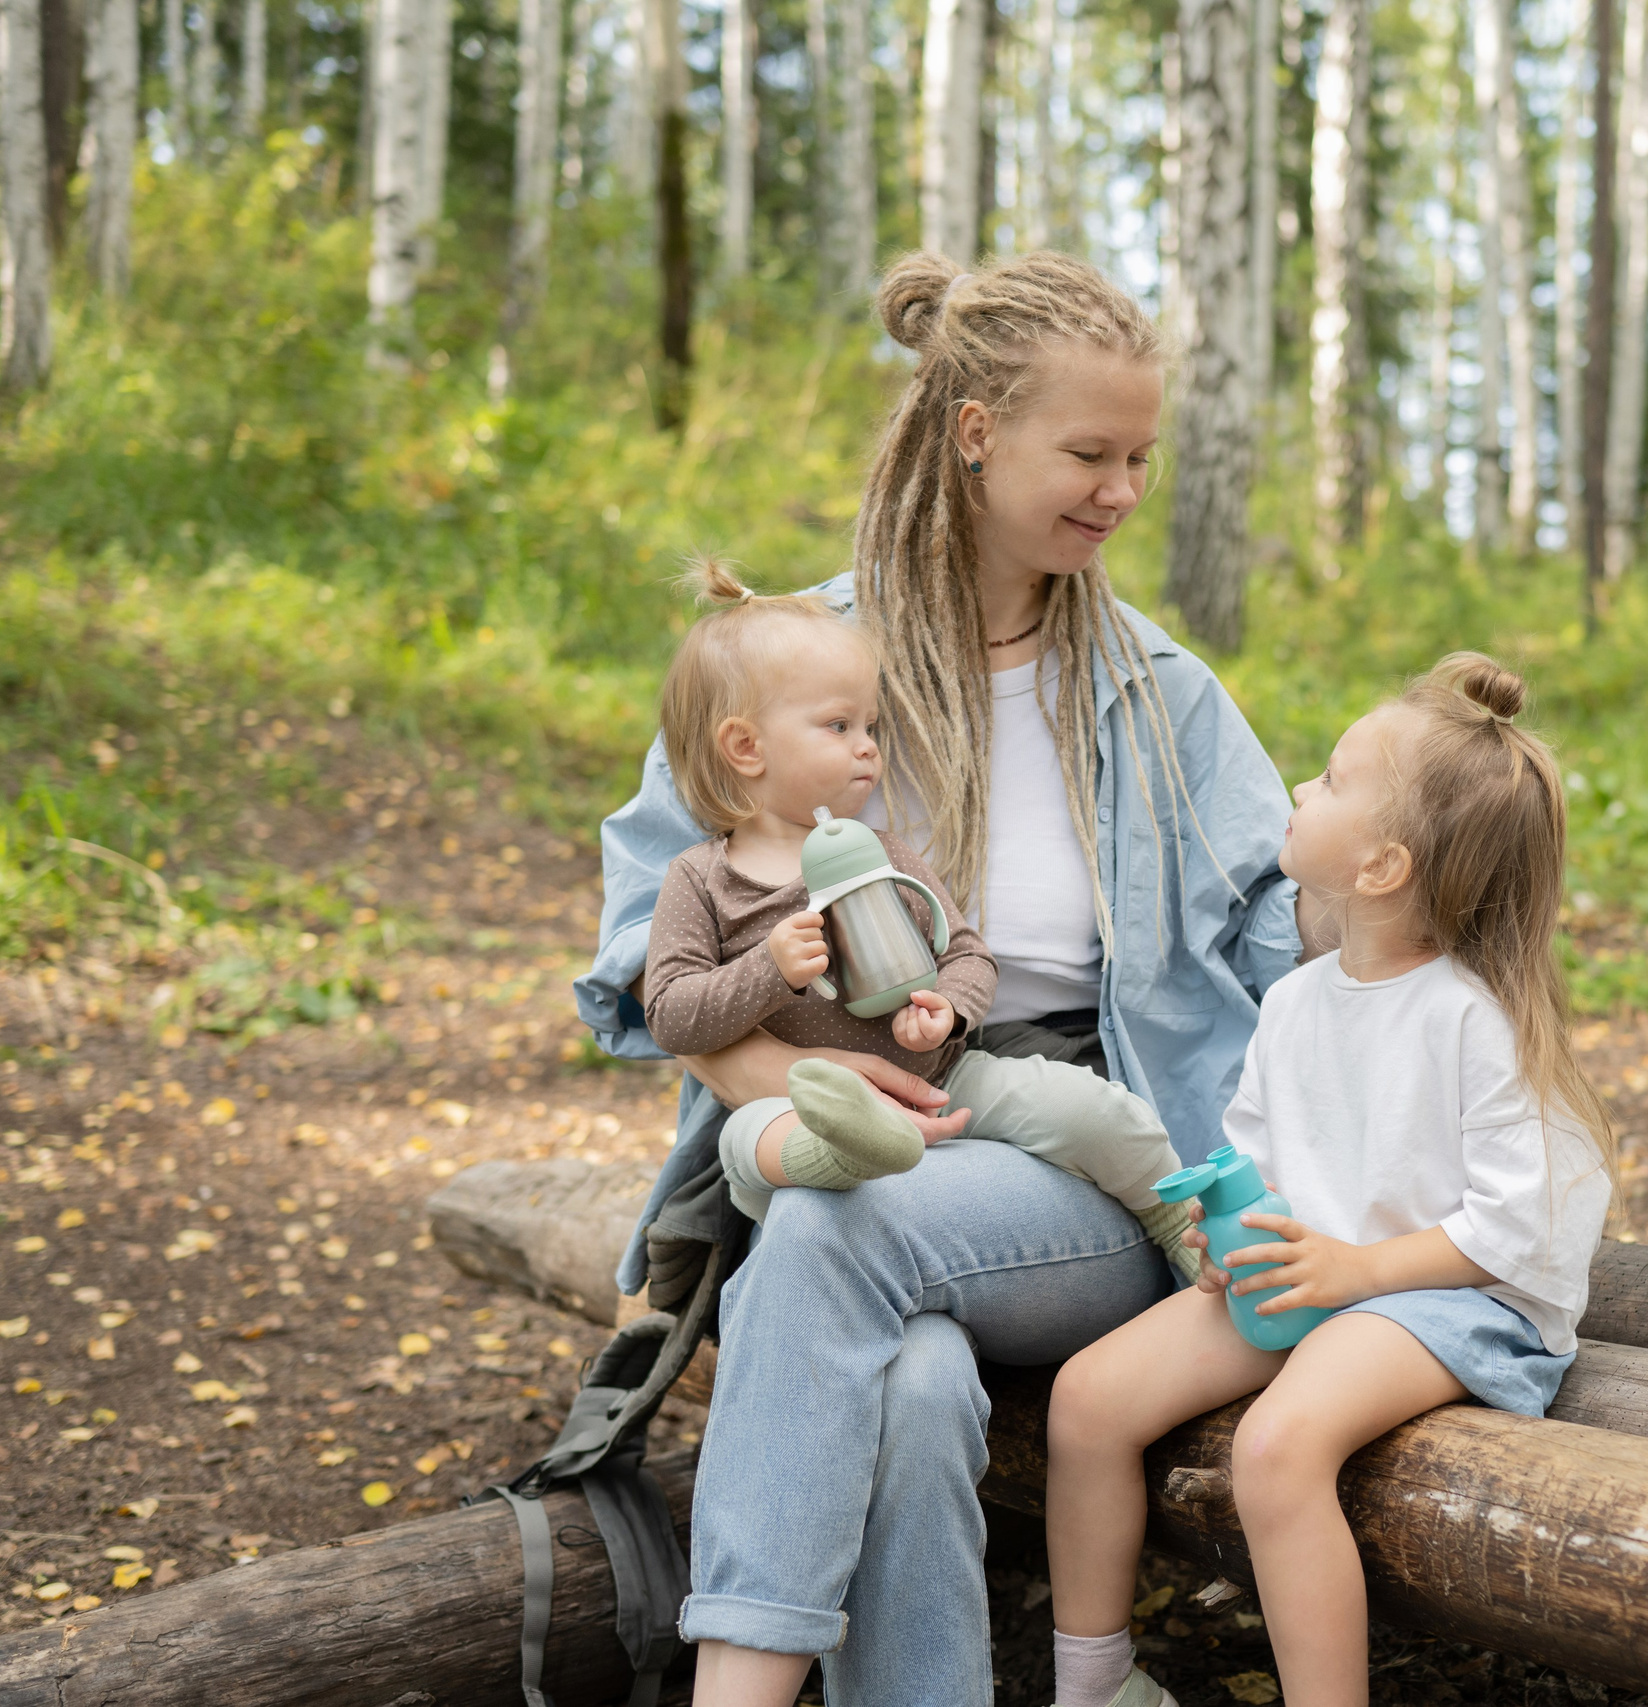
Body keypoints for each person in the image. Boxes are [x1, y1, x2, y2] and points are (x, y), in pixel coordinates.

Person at [572, 248, 1323, 1707]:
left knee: (832, 1233)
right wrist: (796, 1073)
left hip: (1085, 1162)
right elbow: (641, 958)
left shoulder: (1156, 692)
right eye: (1089, 453)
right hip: (841, 1132)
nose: (1122, 490)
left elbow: (1282, 938)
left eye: (1142, 457)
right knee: (909, 1382)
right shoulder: (793, 667)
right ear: (976, 432)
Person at [1040, 654, 1615, 1707]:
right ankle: (1096, 1685)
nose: (1301, 787)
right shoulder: (1298, 1001)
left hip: (1451, 1296)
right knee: (1086, 1399)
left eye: (1332, 779)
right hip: (1318, 1281)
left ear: (1382, 865)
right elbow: (1259, 1156)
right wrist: (1230, 1233)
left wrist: (1359, 1270)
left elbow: (1524, 1227)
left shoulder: (1470, 1016)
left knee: (1277, 1446)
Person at [638, 565, 1194, 1273]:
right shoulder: (701, 879)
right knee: (746, 1141)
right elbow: (670, 1014)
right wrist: (767, 970)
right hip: (803, 1102)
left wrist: (948, 1011)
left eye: (870, 726)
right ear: (746, 746)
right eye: (839, 725)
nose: (869, 745)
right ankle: (846, 1149)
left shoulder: (882, 852)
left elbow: (966, 953)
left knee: (1086, 1106)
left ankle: (1177, 1220)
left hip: (941, 1076)